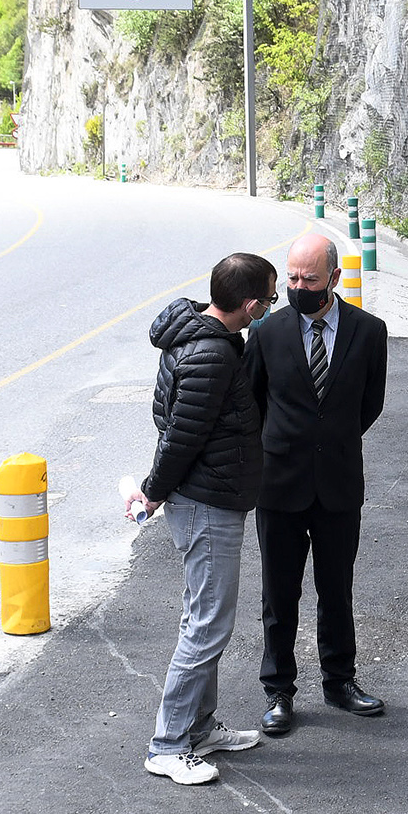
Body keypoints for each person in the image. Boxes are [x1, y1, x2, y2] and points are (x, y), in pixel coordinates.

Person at [129, 253, 280, 786]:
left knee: (205, 619)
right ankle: (167, 744)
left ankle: (199, 728)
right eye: (270, 297)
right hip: (206, 505)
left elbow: (166, 416)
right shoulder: (213, 355)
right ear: (250, 304)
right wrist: (152, 491)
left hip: (209, 499)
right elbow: (180, 436)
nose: (271, 306)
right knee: (206, 625)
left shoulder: (196, 338)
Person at [246, 232, 390, 736]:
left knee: (337, 588)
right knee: (278, 595)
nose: (297, 286)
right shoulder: (266, 332)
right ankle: (278, 691)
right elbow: (254, 401)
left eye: (308, 278)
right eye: (291, 277)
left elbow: (368, 405)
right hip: (279, 485)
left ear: (334, 278)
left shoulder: (370, 332)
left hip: (338, 485)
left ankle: (339, 681)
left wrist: (331, 441)